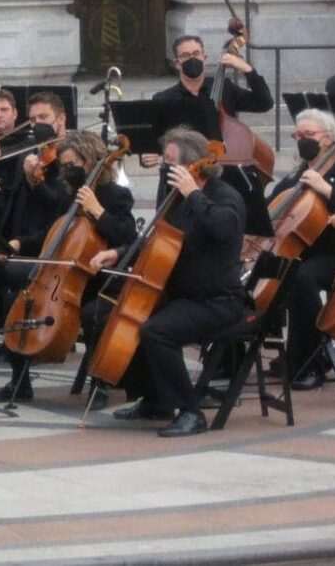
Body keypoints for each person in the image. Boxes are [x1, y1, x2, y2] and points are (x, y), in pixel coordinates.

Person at [91, 127, 246, 437]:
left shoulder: (224, 196)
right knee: (105, 314)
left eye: (169, 162)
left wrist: (194, 194)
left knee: (156, 331)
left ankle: (190, 410)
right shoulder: (176, 197)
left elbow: (224, 229)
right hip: (180, 292)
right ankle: (154, 398)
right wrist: (120, 252)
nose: (164, 167)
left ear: (192, 165)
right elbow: (157, 241)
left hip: (216, 299)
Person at [0, 131, 137, 403]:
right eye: (64, 166)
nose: (67, 171)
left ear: (91, 161)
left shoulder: (116, 195)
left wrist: (97, 210)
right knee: (11, 290)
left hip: (96, 276)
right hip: (61, 274)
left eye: (72, 165)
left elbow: (127, 238)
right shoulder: (67, 195)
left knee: (95, 313)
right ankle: (19, 381)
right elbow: (54, 233)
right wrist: (20, 244)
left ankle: (99, 384)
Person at [264, 109, 335, 390]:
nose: (302, 140)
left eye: (308, 135)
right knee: (270, 274)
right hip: (301, 251)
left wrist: (326, 190)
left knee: (301, 279)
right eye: (298, 135)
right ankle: (255, 354)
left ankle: (312, 361)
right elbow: (274, 205)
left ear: (328, 139)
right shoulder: (298, 173)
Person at [147, 34, 274, 236]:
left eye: (196, 53)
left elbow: (264, 102)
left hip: (224, 173)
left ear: (205, 57)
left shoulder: (225, 89)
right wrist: (150, 156)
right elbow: (154, 145)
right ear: (177, 63)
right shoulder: (163, 100)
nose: (192, 59)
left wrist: (246, 69)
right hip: (183, 176)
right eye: (186, 55)